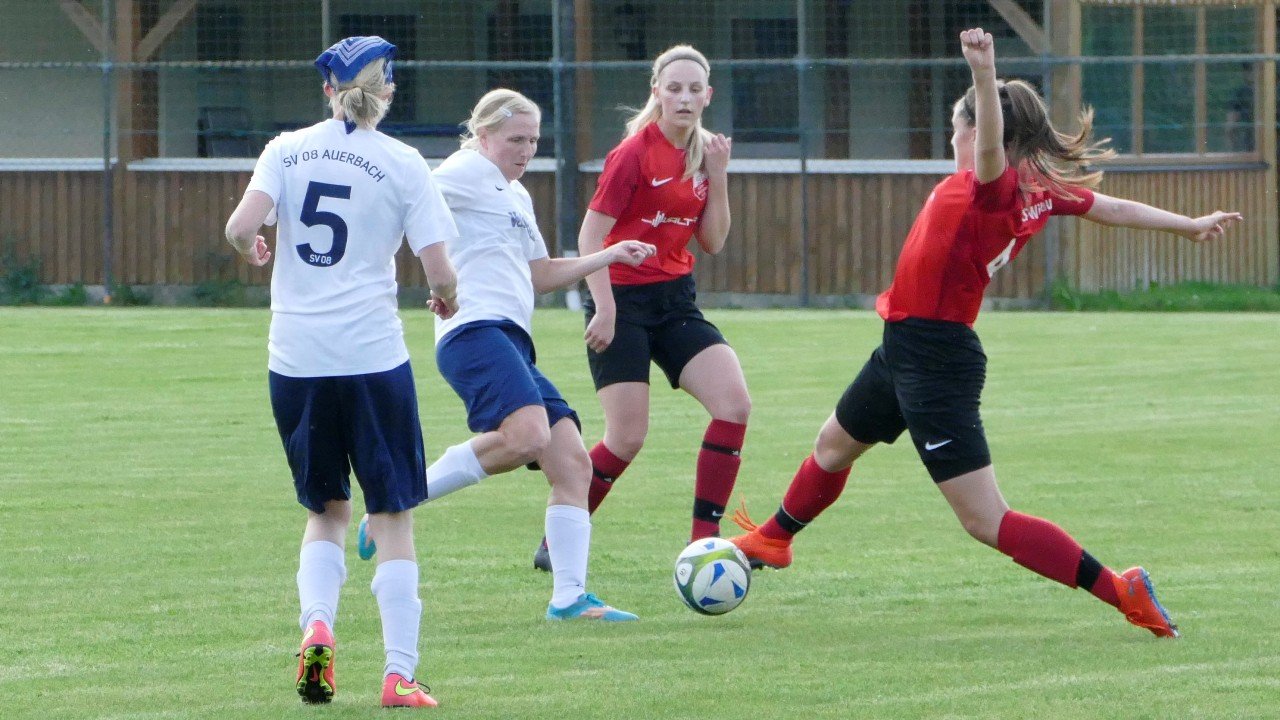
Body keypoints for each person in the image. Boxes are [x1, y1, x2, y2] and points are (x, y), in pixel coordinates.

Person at [730, 28, 1243, 639]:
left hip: (935, 359)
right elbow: (1112, 208)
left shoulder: (993, 187)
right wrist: (1186, 225)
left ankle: (1120, 588)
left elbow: (996, 148)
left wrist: (983, 72)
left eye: (957, 130)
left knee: (985, 520)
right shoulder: (1036, 191)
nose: (954, 140)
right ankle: (776, 538)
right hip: (904, 346)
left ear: (978, 134)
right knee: (834, 445)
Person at [358, 89, 654, 621]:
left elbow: (540, 275)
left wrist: (606, 255)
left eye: (534, 140)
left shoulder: (516, 196)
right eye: (516, 139)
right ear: (484, 134)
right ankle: (395, 502)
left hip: (510, 339)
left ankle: (568, 598)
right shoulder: (465, 169)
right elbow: (411, 200)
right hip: (473, 331)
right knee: (528, 437)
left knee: (572, 463)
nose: (527, 149)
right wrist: (439, 279)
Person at [225, 36, 459, 708]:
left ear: (327, 90)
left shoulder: (285, 149)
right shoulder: (403, 161)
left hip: (295, 360)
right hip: (371, 357)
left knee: (325, 510)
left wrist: (256, 246)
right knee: (391, 513)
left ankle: (318, 626)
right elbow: (439, 270)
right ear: (386, 91)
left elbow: (241, 227)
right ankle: (397, 673)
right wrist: (447, 297)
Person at [529, 44, 746, 572]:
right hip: (620, 298)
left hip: (675, 302)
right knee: (627, 437)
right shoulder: (633, 153)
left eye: (695, 89)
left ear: (708, 95)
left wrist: (718, 175)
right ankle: (556, 543)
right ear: (657, 93)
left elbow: (713, 242)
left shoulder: (704, 154)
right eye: (674, 88)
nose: (685, 97)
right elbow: (589, 236)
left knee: (733, 405)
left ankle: (705, 543)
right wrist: (602, 307)